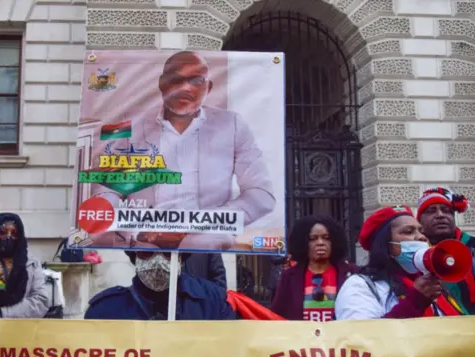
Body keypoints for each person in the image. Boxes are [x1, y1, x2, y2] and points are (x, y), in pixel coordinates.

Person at [89, 50, 276, 250]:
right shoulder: (132, 128)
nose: (185, 88)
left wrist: (201, 224)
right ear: (162, 83)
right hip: (144, 241)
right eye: (176, 79)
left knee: (201, 245)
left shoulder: (231, 125)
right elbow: (106, 189)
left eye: (196, 81)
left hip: (206, 237)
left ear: (209, 87)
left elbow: (261, 194)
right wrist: (137, 230)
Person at [335, 205, 468, 320]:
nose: (421, 237)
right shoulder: (361, 286)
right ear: (385, 243)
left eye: (421, 231)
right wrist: (416, 301)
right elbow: (362, 339)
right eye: (408, 232)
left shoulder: (432, 285)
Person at [85, 251, 236, 320]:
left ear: (180, 258)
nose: (157, 261)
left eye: (167, 253)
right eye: (147, 252)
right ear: (135, 257)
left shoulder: (213, 303)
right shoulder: (104, 311)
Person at [416, 187, 475, 314]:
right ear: (419, 221)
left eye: (446, 210)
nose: (440, 215)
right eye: (431, 211)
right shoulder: (414, 256)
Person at [270, 216, 357, 321]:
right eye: (313, 238)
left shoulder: (352, 274)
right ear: (304, 243)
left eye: (326, 238)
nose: (320, 243)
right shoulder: (289, 276)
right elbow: (276, 315)